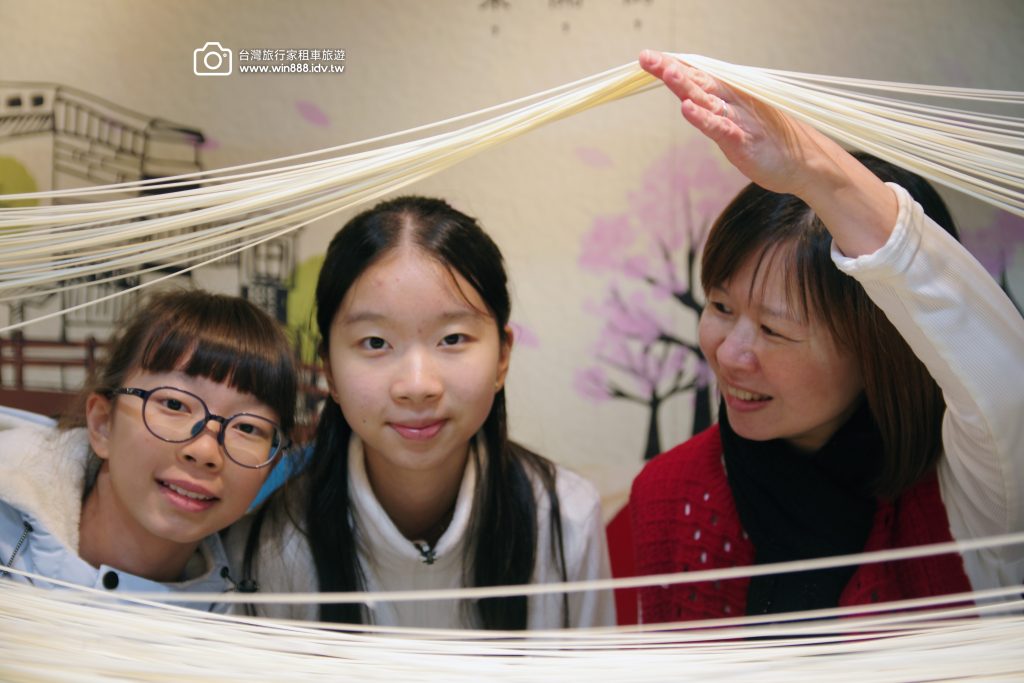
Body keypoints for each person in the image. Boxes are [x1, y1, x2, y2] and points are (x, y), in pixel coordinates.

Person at [629, 50, 1024, 621]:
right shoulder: (668, 492)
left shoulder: (968, 489)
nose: (730, 354)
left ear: (879, 347)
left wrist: (815, 169)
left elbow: (1006, 385)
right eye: (720, 306)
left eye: (774, 329)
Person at [229, 195, 615, 629]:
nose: (417, 386)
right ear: (330, 370)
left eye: (452, 339)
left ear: (502, 357)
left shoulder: (567, 520)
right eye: (375, 342)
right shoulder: (265, 541)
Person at [0, 289, 298, 612]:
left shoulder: (247, 612)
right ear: (103, 424)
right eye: (174, 404)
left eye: (247, 428)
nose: (205, 451)